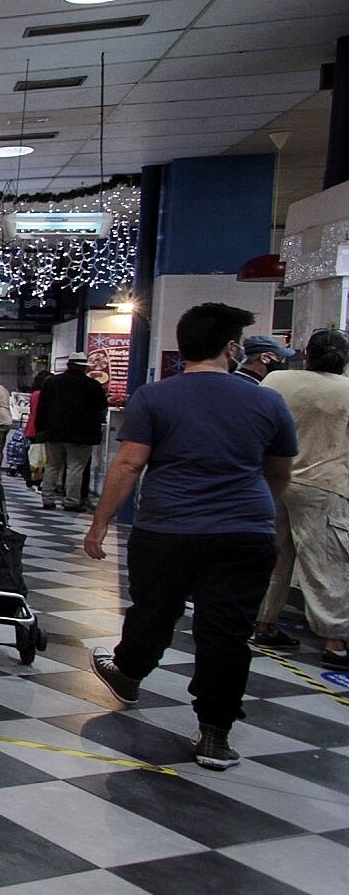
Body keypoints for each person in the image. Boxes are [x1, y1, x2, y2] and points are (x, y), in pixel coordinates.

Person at [85, 303, 297, 770]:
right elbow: (279, 472)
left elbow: (129, 464)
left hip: (167, 528)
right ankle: (215, 734)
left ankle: (130, 670)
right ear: (231, 347)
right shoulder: (267, 401)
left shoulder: (154, 398)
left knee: (154, 609)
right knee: (226, 633)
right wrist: (252, 507)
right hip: (244, 533)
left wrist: (100, 523)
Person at [256, 329, 349, 665]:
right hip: (324, 484)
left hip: (273, 479)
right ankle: (335, 641)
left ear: (306, 354)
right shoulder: (346, 390)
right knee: (325, 562)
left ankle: (265, 622)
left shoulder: (277, 380)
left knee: (275, 556)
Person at [33, 353, 109, 511]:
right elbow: (101, 407)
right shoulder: (92, 385)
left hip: (54, 432)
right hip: (81, 434)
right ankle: (71, 501)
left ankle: (47, 499)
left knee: (53, 466)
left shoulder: (52, 382)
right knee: (75, 467)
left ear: (68, 365)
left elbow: (42, 408)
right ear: (84, 367)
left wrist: (40, 429)